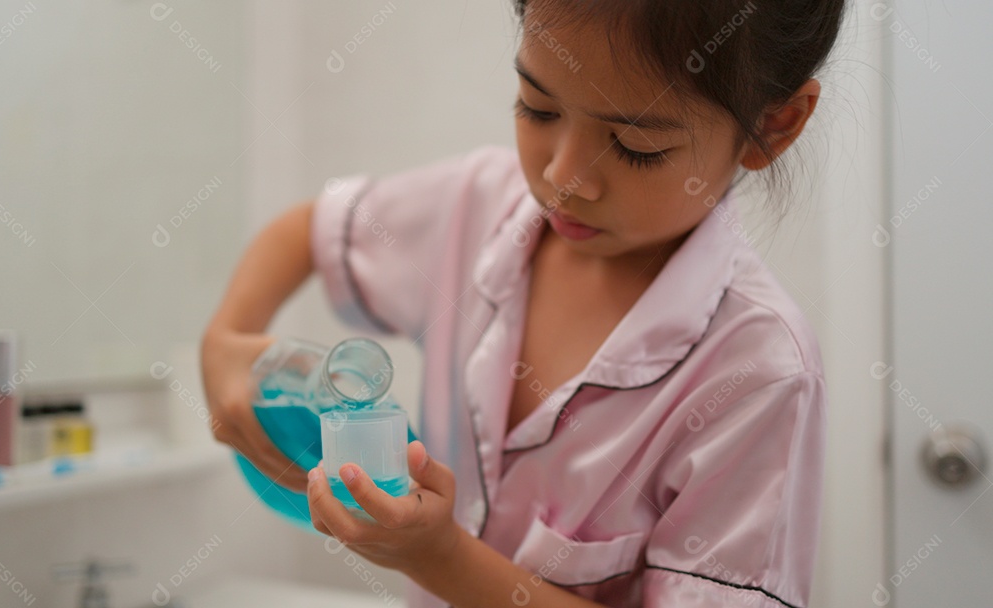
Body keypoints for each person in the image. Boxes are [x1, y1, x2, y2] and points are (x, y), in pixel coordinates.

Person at [201, 0, 845, 605]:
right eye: (538, 108)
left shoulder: (760, 373)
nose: (564, 176)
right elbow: (305, 234)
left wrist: (438, 556)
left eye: (634, 147)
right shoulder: (474, 204)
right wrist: (226, 342)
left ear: (772, 126)